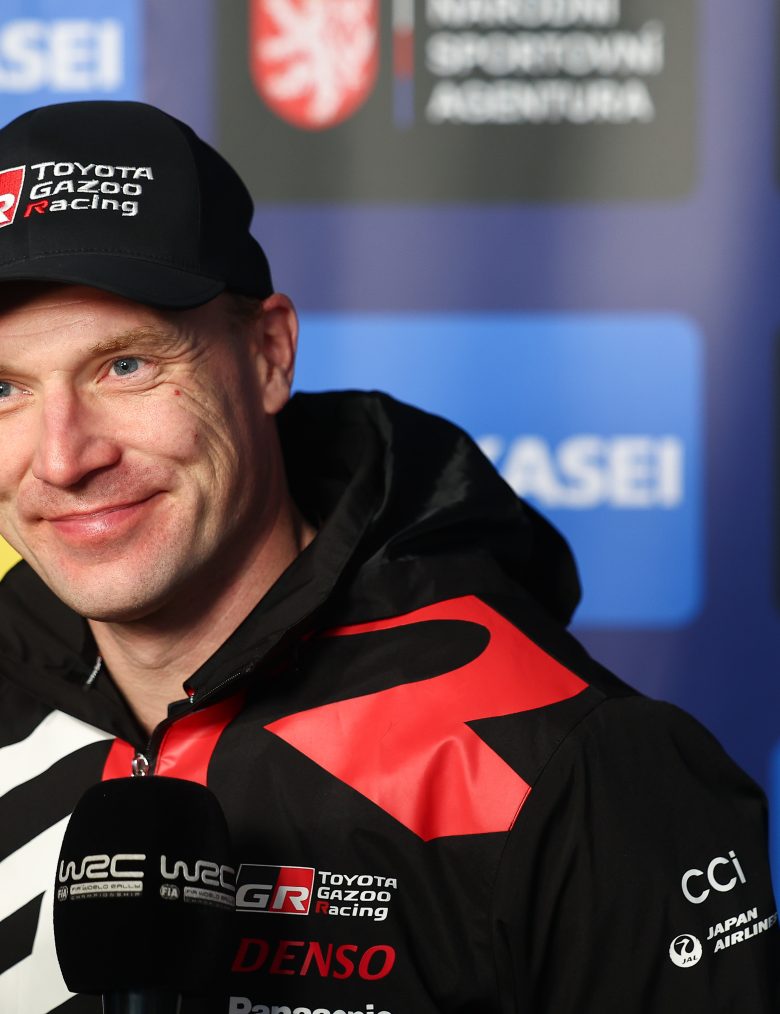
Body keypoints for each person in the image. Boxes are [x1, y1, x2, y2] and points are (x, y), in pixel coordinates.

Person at [0, 100, 775, 1014]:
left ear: (269, 355)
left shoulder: (573, 763)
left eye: (126, 366)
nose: (64, 458)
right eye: (5, 387)